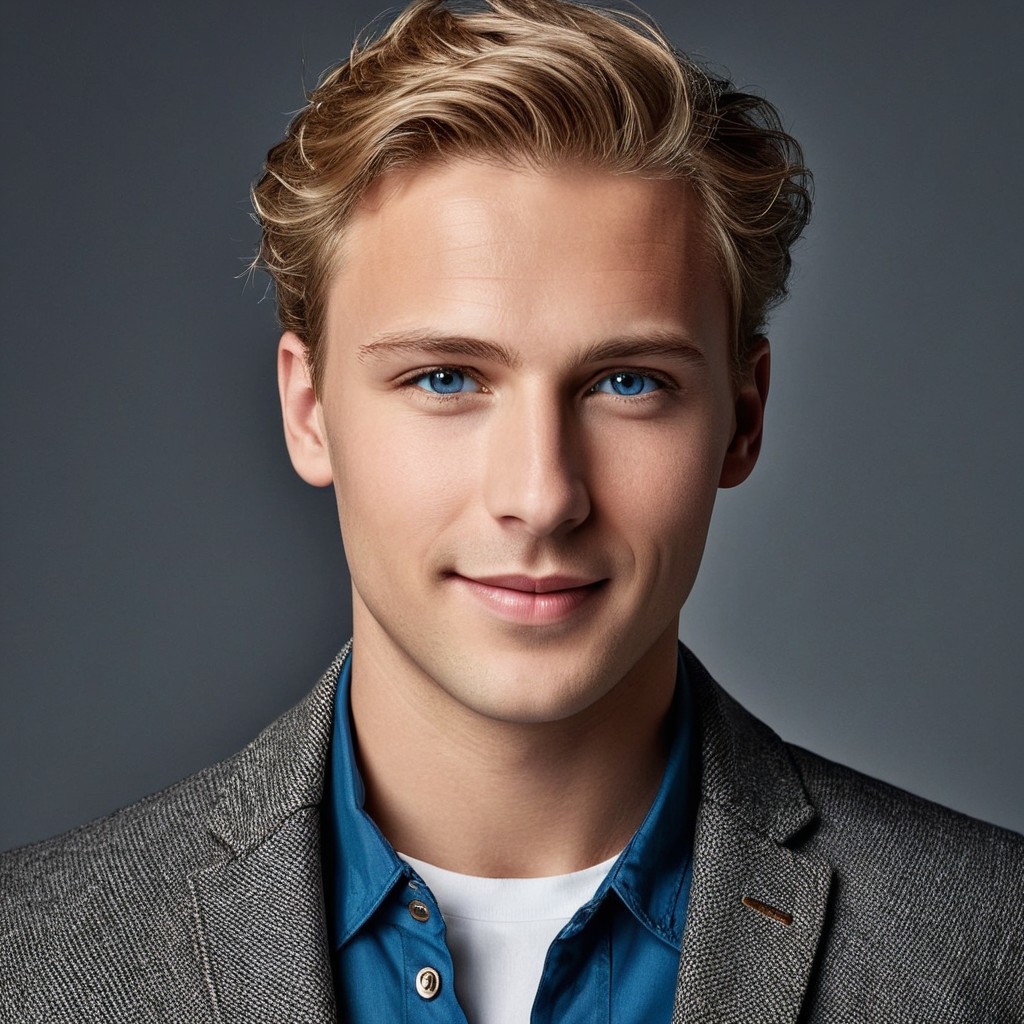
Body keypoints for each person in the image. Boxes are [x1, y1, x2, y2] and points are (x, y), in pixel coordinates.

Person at [1, 0, 1021, 1020]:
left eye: (627, 382)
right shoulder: (33, 962)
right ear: (309, 413)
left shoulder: (987, 948)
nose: (540, 497)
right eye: (446, 377)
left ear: (741, 421)